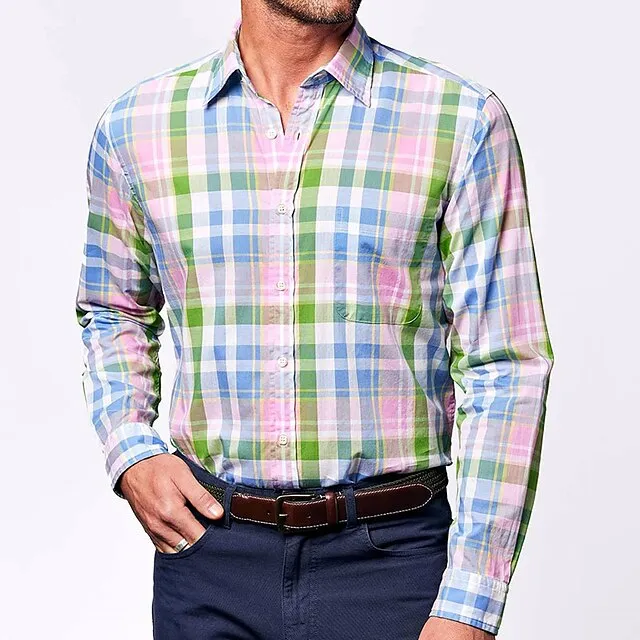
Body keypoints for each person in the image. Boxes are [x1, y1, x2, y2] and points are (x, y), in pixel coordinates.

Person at [74, 1, 555, 638]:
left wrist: (471, 598)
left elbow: (506, 363)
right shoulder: (136, 128)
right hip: (210, 555)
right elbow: (114, 308)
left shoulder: (460, 120)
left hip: (395, 564)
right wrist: (130, 449)